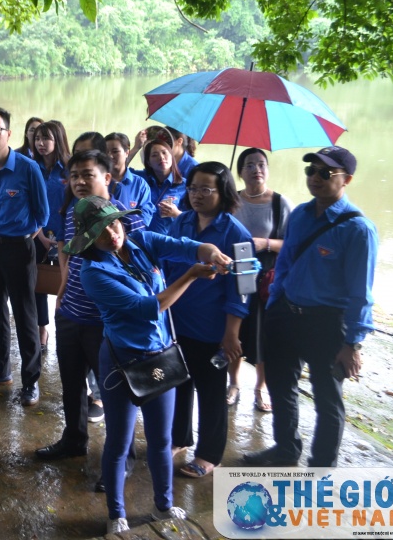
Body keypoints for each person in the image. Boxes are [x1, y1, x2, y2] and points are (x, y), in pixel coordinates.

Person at [65, 195, 232, 534]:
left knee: (160, 439)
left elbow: (183, 245)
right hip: (121, 364)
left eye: (114, 224)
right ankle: (116, 514)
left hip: (159, 357)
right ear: (87, 239)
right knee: (118, 443)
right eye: (101, 232)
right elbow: (148, 307)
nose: (112, 234)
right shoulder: (93, 273)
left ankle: (163, 506)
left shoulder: (139, 240)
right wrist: (190, 277)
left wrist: (208, 251)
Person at [244, 146, 378, 468]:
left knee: (327, 399)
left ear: (346, 179)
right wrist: (276, 301)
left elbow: (361, 294)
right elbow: (286, 262)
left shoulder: (358, 229)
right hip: (287, 314)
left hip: (328, 324)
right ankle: (285, 450)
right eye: (311, 171)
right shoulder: (302, 214)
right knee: (280, 385)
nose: (314, 178)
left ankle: (321, 468)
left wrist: (352, 343)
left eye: (325, 173)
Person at [166, 162, 251, 478]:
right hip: (177, 323)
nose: (197, 195)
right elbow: (165, 262)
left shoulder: (238, 235)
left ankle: (208, 454)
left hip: (212, 330)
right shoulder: (181, 223)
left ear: (223, 193)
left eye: (206, 189)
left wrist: (232, 333)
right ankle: (179, 438)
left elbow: (244, 289)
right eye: (192, 188)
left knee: (212, 392)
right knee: (178, 383)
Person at [35, 151, 117, 462]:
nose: (80, 181)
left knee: (113, 392)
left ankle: (119, 460)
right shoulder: (72, 212)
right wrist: (61, 291)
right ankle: (74, 440)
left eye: (88, 174)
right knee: (71, 384)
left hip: (104, 323)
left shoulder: (121, 217)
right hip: (71, 314)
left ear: (107, 178)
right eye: (75, 176)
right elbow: (68, 253)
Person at [0, 107, 49, 407]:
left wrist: (25, 233)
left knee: (25, 314)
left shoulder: (28, 168)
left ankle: (30, 381)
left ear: (8, 133)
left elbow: (42, 212)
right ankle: (0, 371)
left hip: (18, 248)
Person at [229, 148, 293, 412]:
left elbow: (293, 244)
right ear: (240, 172)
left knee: (262, 333)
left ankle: (260, 387)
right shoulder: (231, 201)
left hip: (267, 278)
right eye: (250, 165)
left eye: (261, 164)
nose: (257, 169)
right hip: (236, 272)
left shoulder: (280, 203)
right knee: (234, 329)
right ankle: (233, 383)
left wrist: (265, 243)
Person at [31, 121, 71, 353]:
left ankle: (65, 328)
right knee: (37, 284)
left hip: (65, 236)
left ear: (57, 140)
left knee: (66, 283)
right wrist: (40, 236)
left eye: (46, 138)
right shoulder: (30, 167)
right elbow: (26, 204)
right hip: (36, 235)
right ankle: (42, 328)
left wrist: (59, 239)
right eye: (37, 138)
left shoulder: (67, 169)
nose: (41, 143)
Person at [129, 135, 184, 235]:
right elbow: (118, 169)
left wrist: (177, 214)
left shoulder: (184, 185)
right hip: (139, 238)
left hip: (166, 242)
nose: (161, 157)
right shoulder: (141, 179)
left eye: (164, 152)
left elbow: (195, 219)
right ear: (148, 162)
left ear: (172, 157)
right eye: (154, 155)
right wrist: (137, 147)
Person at [104, 132, 154, 226]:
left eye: (115, 151)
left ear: (127, 153)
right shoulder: (99, 182)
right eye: (106, 152)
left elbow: (144, 219)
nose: (110, 156)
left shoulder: (140, 185)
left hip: (132, 237)